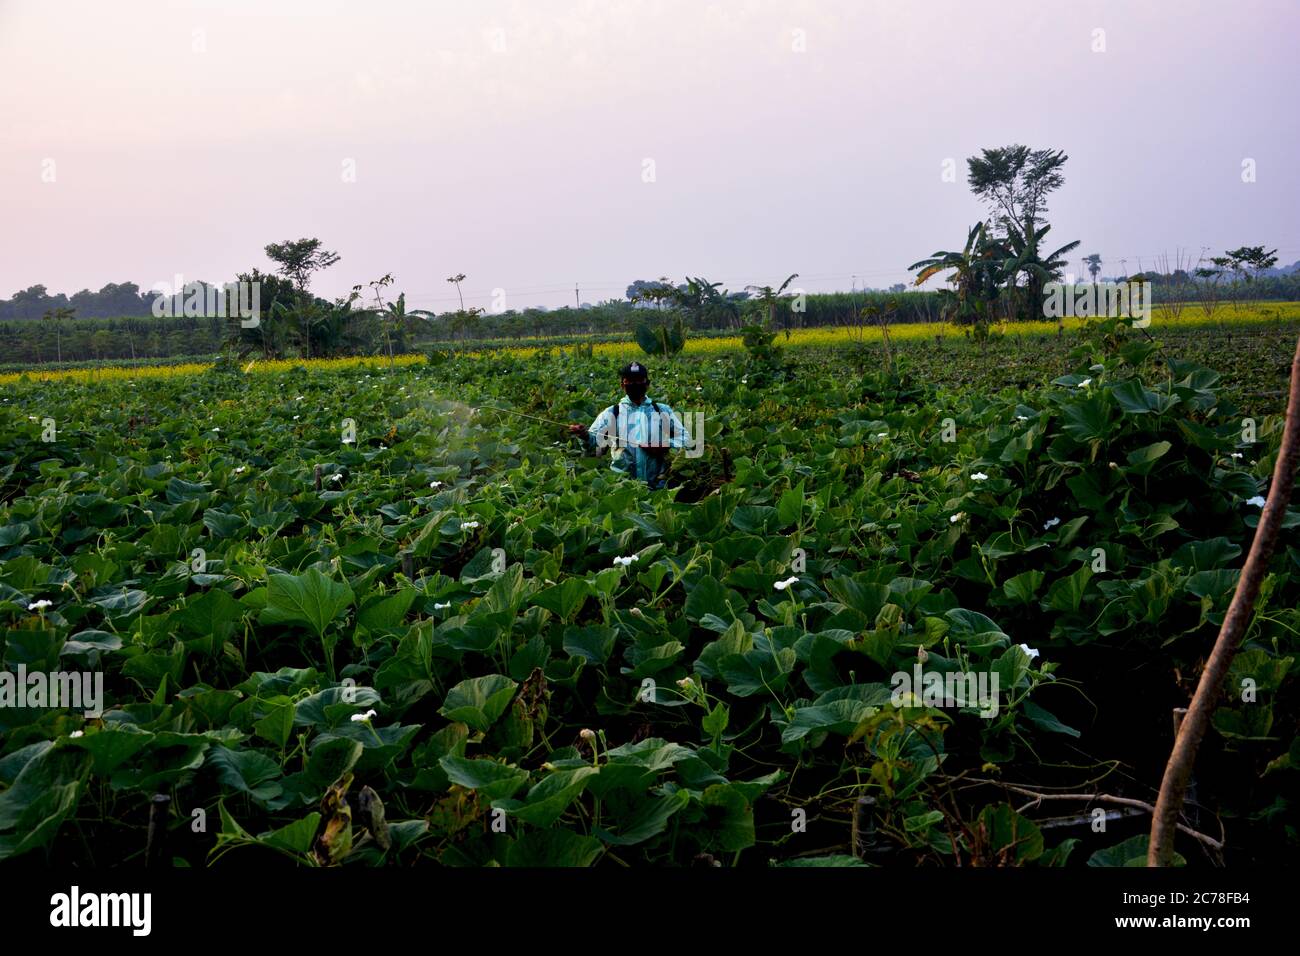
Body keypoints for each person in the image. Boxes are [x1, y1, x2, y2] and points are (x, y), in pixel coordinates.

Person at [568, 361, 690, 489]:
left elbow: (685, 439)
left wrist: (665, 445)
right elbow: (594, 443)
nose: (635, 384)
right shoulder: (612, 413)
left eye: (639, 381)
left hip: (659, 485)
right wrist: (584, 435)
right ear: (622, 385)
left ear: (647, 384)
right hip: (622, 486)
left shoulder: (662, 411)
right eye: (630, 381)